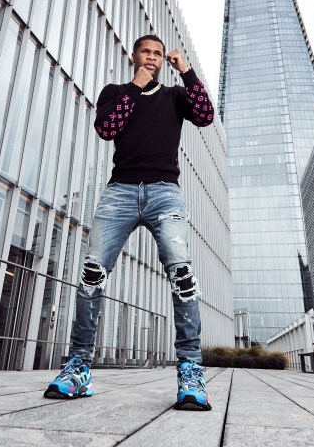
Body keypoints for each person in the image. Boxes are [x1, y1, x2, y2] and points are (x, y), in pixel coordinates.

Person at [44, 34, 215, 411]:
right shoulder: (115, 92)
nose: (152, 58)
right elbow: (107, 129)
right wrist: (137, 86)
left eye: (157, 53)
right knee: (92, 273)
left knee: (182, 272)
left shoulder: (174, 96)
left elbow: (205, 115)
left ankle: (190, 371)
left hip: (164, 191)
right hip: (120, 191)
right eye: (146, 52)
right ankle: (79, 368)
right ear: (134, 56)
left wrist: (185, 70)